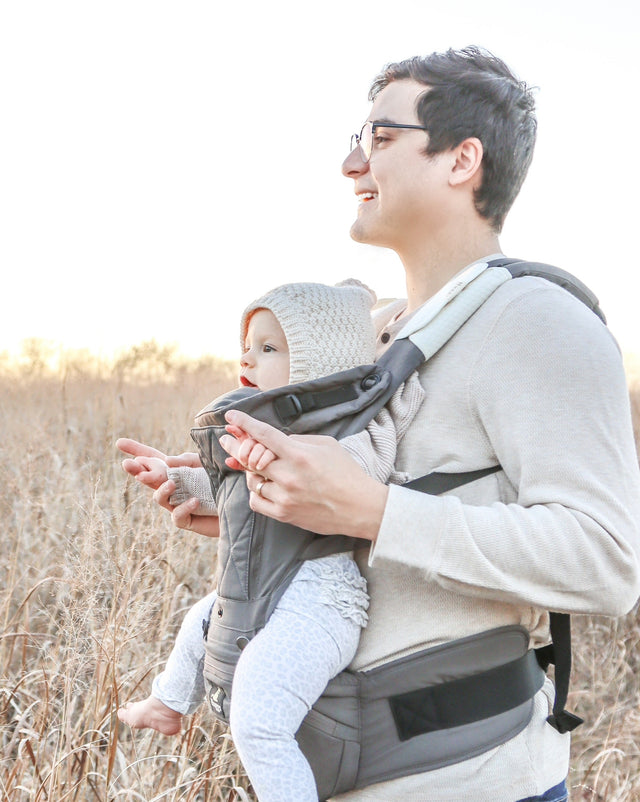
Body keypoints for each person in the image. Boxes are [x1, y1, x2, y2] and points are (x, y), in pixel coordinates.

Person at [119, 47, 640, 801]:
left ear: (463, 160)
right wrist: (262, 507)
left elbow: (607, 562)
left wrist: (372, 512)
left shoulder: (540, 324)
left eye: (381, 138)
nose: (350, 162)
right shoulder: (373, 334)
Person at [119, 279, 423, 801]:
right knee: (199, 622)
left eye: (267, 348)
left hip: (321, 600)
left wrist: (279, 460)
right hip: (265, 582)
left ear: (317, 365)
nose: (247, 359)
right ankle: (169, 702)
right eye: (247, 347)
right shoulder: (261, 428)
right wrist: (175, 478)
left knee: (258, 719)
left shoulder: (349, 430)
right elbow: (233, 491)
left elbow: (356, 476)